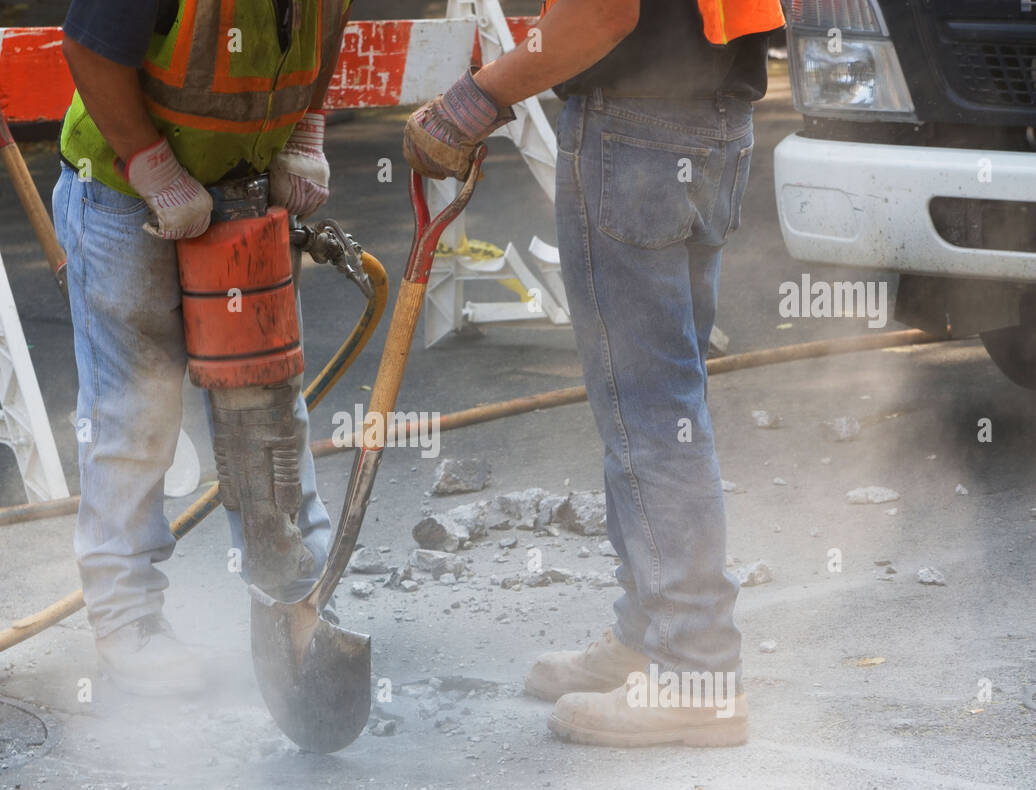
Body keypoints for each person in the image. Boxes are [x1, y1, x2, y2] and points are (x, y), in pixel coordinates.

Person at [403, 0, 784, 746]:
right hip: (712, 124)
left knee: (649, 409)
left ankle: (694, 670)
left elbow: (602, 14)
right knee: (663, 397)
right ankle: (650, 634)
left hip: (635, 135)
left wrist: (472, 102)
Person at [53, 0, 352, 694]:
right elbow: (90, 49)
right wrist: (153, 167)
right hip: (125, 195)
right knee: (137, 414)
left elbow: (326, 23)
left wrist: (305, 126)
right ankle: (128, 621)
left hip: (239, 189)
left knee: (268, 407)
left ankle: (296, 601)